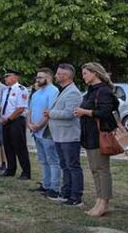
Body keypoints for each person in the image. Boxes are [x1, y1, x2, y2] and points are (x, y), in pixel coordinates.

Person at [74, 62, 119, 217]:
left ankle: (104, 203)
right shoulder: (91, 91)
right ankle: (99, 201)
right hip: (89, 135)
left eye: (85, 73)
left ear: (95, 73)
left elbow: (105, 112)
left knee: (102, 170)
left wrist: (85, 112)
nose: (83, 76)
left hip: (99, 135)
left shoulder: (103, 91)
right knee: (95, 170)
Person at [44, 63, 84, 207]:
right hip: (60, 135)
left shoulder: (73, 92)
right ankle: (66, 193)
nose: (56, 76)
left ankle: (76, 196)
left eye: (58, 73)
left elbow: (69, 113)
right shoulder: (63, 90)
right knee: (65, 166)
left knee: (72, 166)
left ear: (66, 76)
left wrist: (51, 113)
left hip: (69, 135)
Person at [27, 68, 61, 198]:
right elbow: (30, 110)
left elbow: (49, 112)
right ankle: (46, 184)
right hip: (36, 132)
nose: (37, 79)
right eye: (37, 77)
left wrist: (38, 125)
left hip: (47, 131)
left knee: (53, 160)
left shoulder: (54, 91)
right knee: (43, 160)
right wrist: (29, 124)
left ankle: (54, 187)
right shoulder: (36, 93)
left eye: (40, 77)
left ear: (49, 78)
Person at [0, 69, 30, 179]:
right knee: (8, 146)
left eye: (8, 76)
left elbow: (20, 108)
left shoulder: (21, 90)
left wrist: (9, 119)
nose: (5, 78)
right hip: (5, 121)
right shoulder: (6, 90)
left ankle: (26, 172)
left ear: (16, 77)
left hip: (16, 121)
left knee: (20, 147)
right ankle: (11, 169)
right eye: (5, 76)